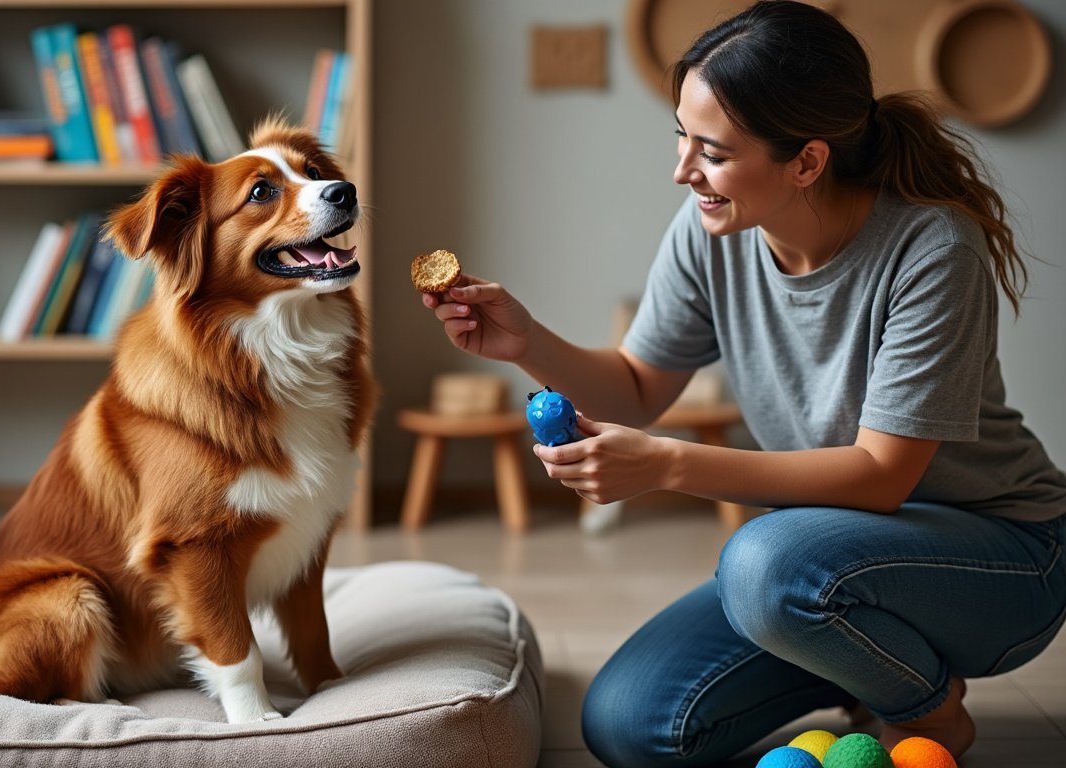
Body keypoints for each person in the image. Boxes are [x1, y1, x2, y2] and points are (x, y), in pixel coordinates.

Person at [418, 2, 1066, 765]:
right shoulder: (708, 229)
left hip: (1002, 558)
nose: (683, 170)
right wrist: (528, 343)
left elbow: (883, 477)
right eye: (681, 138)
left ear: (807, 162)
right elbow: (635, 388)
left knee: (762, 561)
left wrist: (665, 464)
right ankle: (859, 660)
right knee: (630, 725)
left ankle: (925, 706)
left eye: (713, 151)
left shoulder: (932, 251)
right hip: (825, 557)